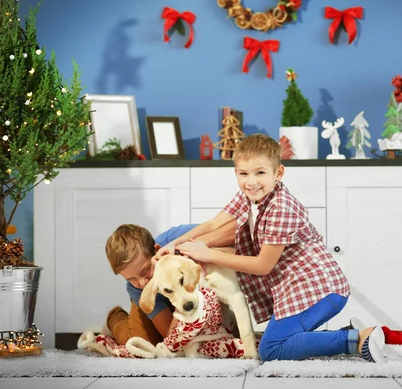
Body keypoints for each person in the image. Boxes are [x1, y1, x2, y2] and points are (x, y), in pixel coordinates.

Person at [151, 134, 385, 362]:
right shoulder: (249, 196)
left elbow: (263, 265)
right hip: (295, 287)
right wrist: (174, 245)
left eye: (260, 173)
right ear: (236, 173)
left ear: (278, 173)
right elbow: (213, 223)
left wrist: (209, 254)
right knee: (275, 342)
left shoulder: (281, 208)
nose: (251, 181)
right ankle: (344, 333)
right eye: (244, 174)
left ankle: (356, 339)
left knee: (271, 350)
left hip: (321, 290)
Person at [104, 221, 236, 346]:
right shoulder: (137, 288)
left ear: (157, 250)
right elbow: (170, 335)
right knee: (141, 341)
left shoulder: (179, 238)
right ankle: (114, 317)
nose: (142, 282)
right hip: (154, 302)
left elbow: (235, 231)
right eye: (130, 278)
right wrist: (180, 294)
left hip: (186, 295)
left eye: (145, 270)